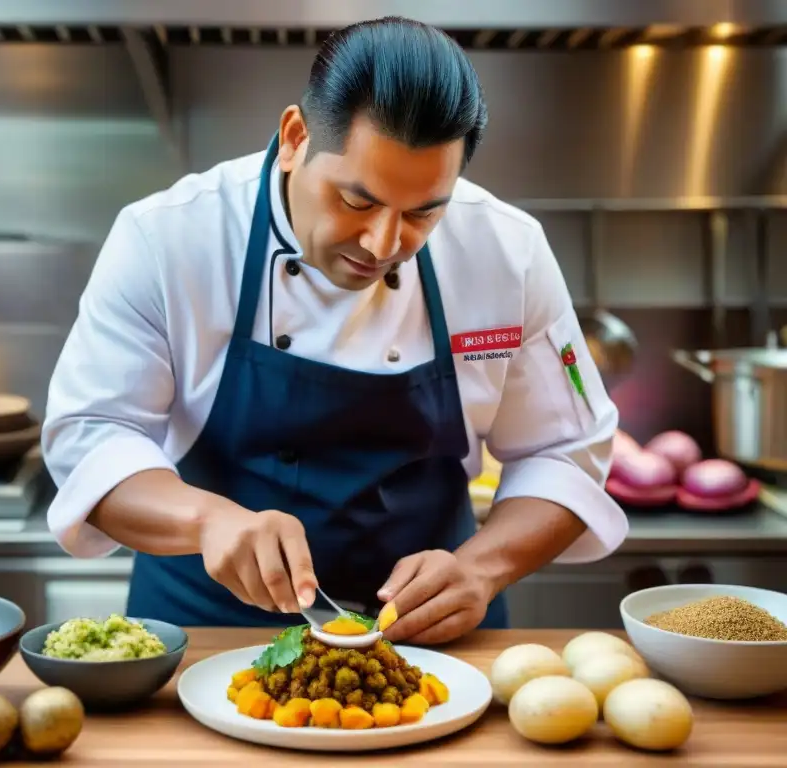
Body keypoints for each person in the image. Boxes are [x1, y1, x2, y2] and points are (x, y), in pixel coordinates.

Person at [42, 16, 628, 644]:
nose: (383, 244)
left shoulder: (507, 251)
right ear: (294, 137)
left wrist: (480, 569)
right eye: (357, 201)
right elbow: (92, 436)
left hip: (429, 646)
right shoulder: (170, 237)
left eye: (424, 211)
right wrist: (205, 520)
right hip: (206, 637)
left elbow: (566, 451)